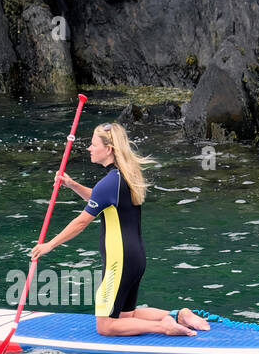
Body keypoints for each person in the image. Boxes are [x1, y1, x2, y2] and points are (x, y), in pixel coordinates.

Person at [29, 122, 211, 337]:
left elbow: (81, 221)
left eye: (93, 144)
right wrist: (73, 185)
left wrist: (49, 245)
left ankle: (164, 326)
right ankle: (180, 315)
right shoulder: (125, 176)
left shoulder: (108, 183)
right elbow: (100, 198)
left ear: (108, 149)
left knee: (105, 326)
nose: (89, 148)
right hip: (135, 257)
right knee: (127, 315)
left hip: (119, 260)